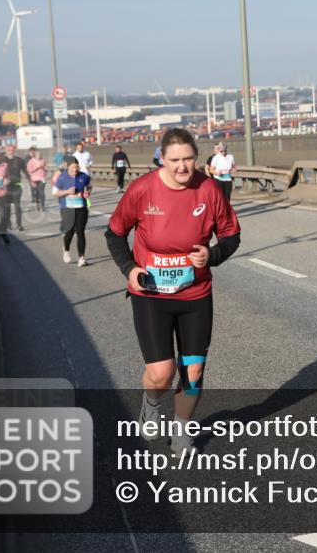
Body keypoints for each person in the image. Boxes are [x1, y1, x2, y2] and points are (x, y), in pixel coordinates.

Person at [105, 128, 241, 453]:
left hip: (195, 295)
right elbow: (114, 233)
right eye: (175, 160)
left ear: (197, 158)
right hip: (151, 295)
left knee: (193, 371)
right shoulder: (142, 190)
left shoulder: (209, 190)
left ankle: (182, 430)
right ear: (162, 159)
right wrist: (130, 269)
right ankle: (151, 404)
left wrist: (213, 255)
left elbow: (231, 236)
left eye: (189, 159)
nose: (182, 167)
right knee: (161, 374)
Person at [53, 160, 92, 266]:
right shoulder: (62, 177)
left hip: (81, 208)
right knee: (69, 232)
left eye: (76, 167)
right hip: (67, 209)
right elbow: (54, 193)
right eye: (72, 167)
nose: (75, 169)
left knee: (80, 232)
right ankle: (66, 250)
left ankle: (81, 258)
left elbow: (89, 186)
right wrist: (67, 192)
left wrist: (87, 192)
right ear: (67, 167)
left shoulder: (84, 176)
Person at [2, 144, 30, 230]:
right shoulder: (2, 160)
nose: (10, 151)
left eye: (11, 150)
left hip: (17, 186)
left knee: (17, 205)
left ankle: (19, 225)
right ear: (6, 150)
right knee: (7, 206)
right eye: (8, 150)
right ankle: (8, 224)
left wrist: (30, 179)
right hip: (6, 186)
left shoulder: (19, 160)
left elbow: (25, 170)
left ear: (14, 150)